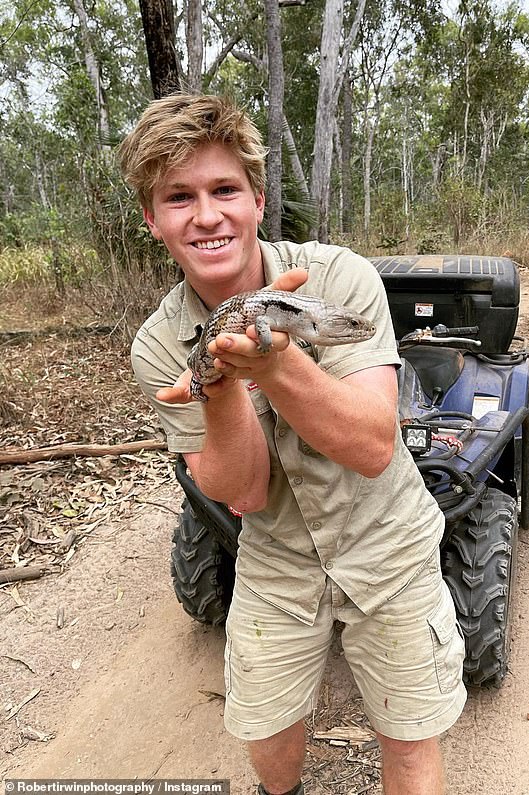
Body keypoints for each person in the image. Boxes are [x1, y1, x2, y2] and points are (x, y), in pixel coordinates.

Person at [119, 93, 466, 795]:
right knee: (266, 734)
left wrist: (274, 366)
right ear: (152, 220)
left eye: (224, 189)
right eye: (180, 197)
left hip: (388, 544)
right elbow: (244, 493)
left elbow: (372, 447)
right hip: (275, 559)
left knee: (409, 740)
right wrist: (219, 383)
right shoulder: (159, 345)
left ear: (257, 199)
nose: (207, 215)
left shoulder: (338, 278)